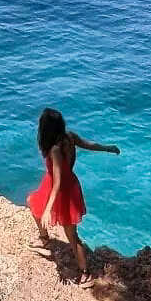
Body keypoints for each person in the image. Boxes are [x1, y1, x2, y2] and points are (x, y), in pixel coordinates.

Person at [27, 107, 119, 281]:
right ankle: (44, 239)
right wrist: (108, 148)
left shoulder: (54, 149)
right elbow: (89, 145)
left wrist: (49, 208)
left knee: (71, 235)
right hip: (71, 185)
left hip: (60, 189)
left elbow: (58, 181)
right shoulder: (70, 136)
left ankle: (85, 273)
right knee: (32, 202)